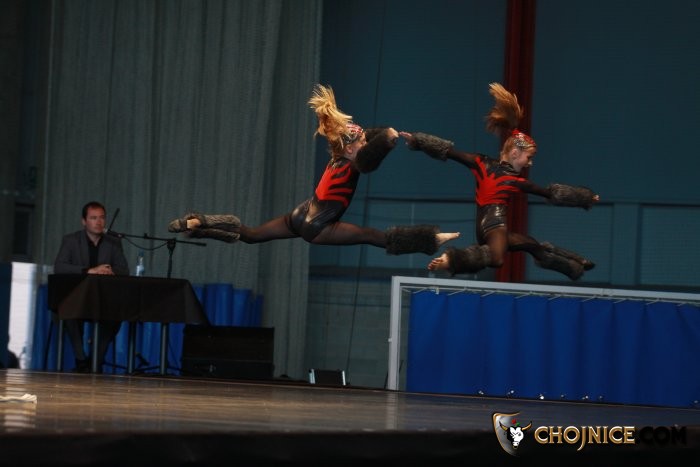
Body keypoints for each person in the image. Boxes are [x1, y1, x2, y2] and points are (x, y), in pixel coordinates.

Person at [168, 84, 459, 255]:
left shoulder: (339, 156)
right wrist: (388, 140)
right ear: (351, 149)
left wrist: (384, 135)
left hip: (300, 214)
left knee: (252, 234)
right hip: (318, 227)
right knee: (371, 236)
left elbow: (366, 139)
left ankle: (200, 224)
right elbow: (369, 159)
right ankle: (429, 240)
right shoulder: (353, 163)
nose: (365, 142)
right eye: (361, 142)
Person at [400, 82, 599, 281]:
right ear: (515, 153)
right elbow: (549, 193)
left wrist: (417, 140)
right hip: (495, 228)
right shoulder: (513, 180)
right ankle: (451, 260)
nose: (530, 163)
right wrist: (585, 197)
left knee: (532, 245)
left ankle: (575, 265)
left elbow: (449, 151)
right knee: (496, 258)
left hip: (483, 229)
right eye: (529, 158)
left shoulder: (481, 163)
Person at [53, 201, 130, 373]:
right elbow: (59, 267)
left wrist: (109, 270)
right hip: (77, 297)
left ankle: (96, 360)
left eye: (102, 218)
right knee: (67, 311)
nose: (98, 222)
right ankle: (81, 359)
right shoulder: (71, 240)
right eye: (93, 218)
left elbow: (124, 270)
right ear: (84, 221)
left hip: (104, 299)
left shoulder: (113, 241)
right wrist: (89, 270)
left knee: (115, 315)